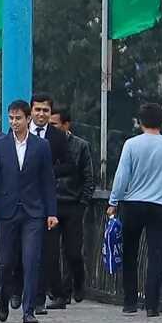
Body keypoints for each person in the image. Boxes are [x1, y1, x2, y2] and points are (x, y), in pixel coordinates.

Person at [0, 98, 59, 323]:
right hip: (6, 210)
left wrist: (51, 212)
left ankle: (29, 309)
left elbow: (48, 180)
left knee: (31, 259)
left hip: (33, 211)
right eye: (11, 118)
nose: (14, 122)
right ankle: (4, 299)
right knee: (5, 262)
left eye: (18, 118)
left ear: (28, 119)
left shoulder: (41, 146)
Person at [107, 102, 162, 317]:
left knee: (130, 252)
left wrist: (113, 201)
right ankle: (152, 305)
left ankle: (130, 301)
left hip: (133, 204)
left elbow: (122, 176)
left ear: (140, 122)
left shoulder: (131, 144)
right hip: (159, 205)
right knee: (156, 255)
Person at [43, 97, 93, 308]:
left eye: (54, 124)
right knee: (51, 252)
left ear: (66, 124)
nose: (50, 128)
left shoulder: (81, 146)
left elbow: (88, 176)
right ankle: (60, 294)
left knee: (72, 251)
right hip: (51, 204)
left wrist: (83, 202)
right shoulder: (43, 144)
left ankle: (78, 280)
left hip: (73, 204)